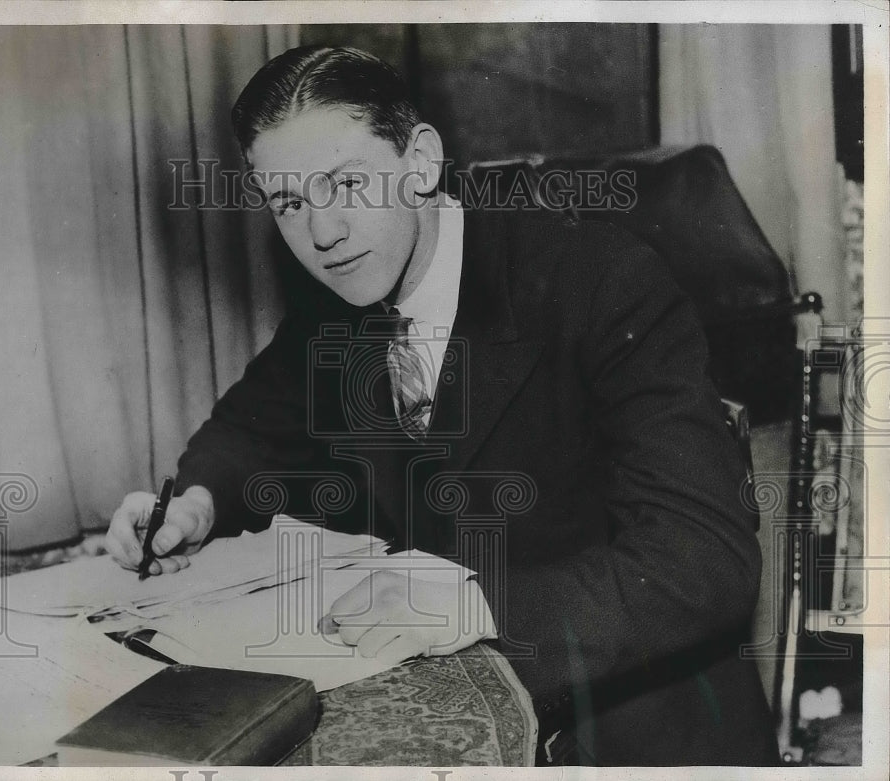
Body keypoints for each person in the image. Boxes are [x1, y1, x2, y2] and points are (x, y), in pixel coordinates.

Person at [106, 45, 779, 766]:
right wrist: (193, 505)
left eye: (347, 183)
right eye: (291, 202)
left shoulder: (597, 279)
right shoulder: (339, 301)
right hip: (451, 700)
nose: (323, 233)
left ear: (421, 161)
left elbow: (705, 558)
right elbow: (251, 426)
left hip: (629, 725)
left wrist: (472, 604)